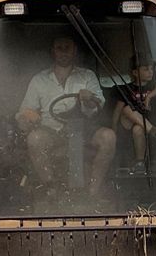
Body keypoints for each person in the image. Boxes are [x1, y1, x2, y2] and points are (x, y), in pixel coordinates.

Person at [15, 36, 116, 198]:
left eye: (67, 48)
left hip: (84, 130)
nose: (63, 52)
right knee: (35, 138)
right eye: (59, 48)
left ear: (74, 51)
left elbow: (99, 104)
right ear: (52, 52)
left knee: (108, 136)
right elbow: (24, 112)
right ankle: (51, 189)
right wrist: (28, 116)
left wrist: (89, 99)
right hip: (52, 131)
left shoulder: (87, 76)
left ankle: (93, 191)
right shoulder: (39, 80)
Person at [112, 56, 156, 173]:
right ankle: (155, 132)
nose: (150, 72)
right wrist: (113, 129)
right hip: (127, 123)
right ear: (135, 72)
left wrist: (150, 95)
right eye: (146, 69)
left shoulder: (154, 86)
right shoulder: (126, 88)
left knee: (138, 129)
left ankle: (140, 162)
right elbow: (118, 110)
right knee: (127, 109)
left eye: (152, 69)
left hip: (144, 124)